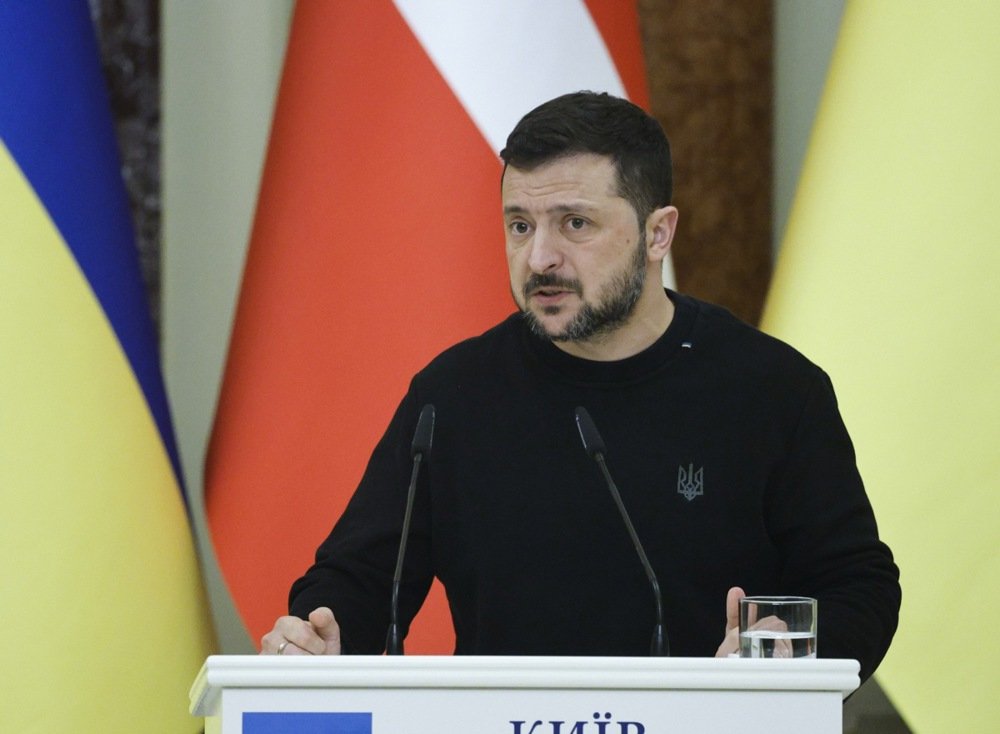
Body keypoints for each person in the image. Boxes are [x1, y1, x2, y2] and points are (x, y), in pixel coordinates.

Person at [261, 91, 900, 682]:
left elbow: (857, 585)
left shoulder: (773, 390)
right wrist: (322, 634)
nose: (539, 258)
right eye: (519, 225)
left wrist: (790, 648)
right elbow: (359, 580)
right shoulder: (452, 397)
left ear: (658, 233)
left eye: (574, 224)